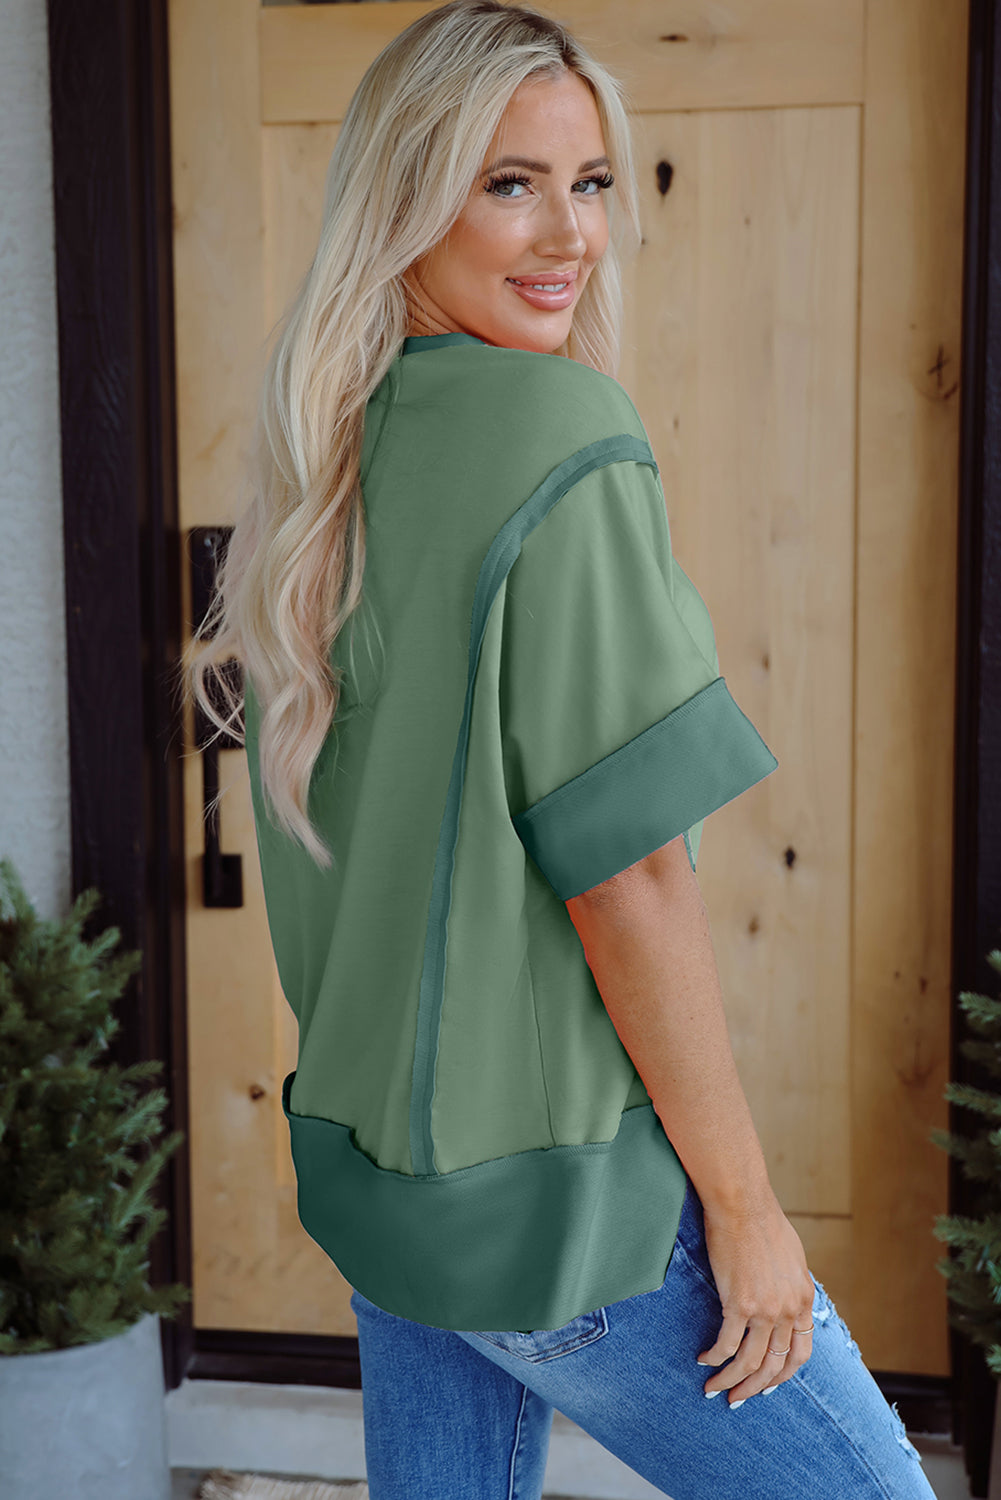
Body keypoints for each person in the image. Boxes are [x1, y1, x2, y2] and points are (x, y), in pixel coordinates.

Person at [183, 2, 939, 1495]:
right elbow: (628, 876)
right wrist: (747, 1214)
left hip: (398, 1198)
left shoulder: (328, 452)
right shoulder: (559, 432)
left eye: (588, 182)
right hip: (574, 1214)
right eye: (507, 183)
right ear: (406, 197)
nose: (568, 234)